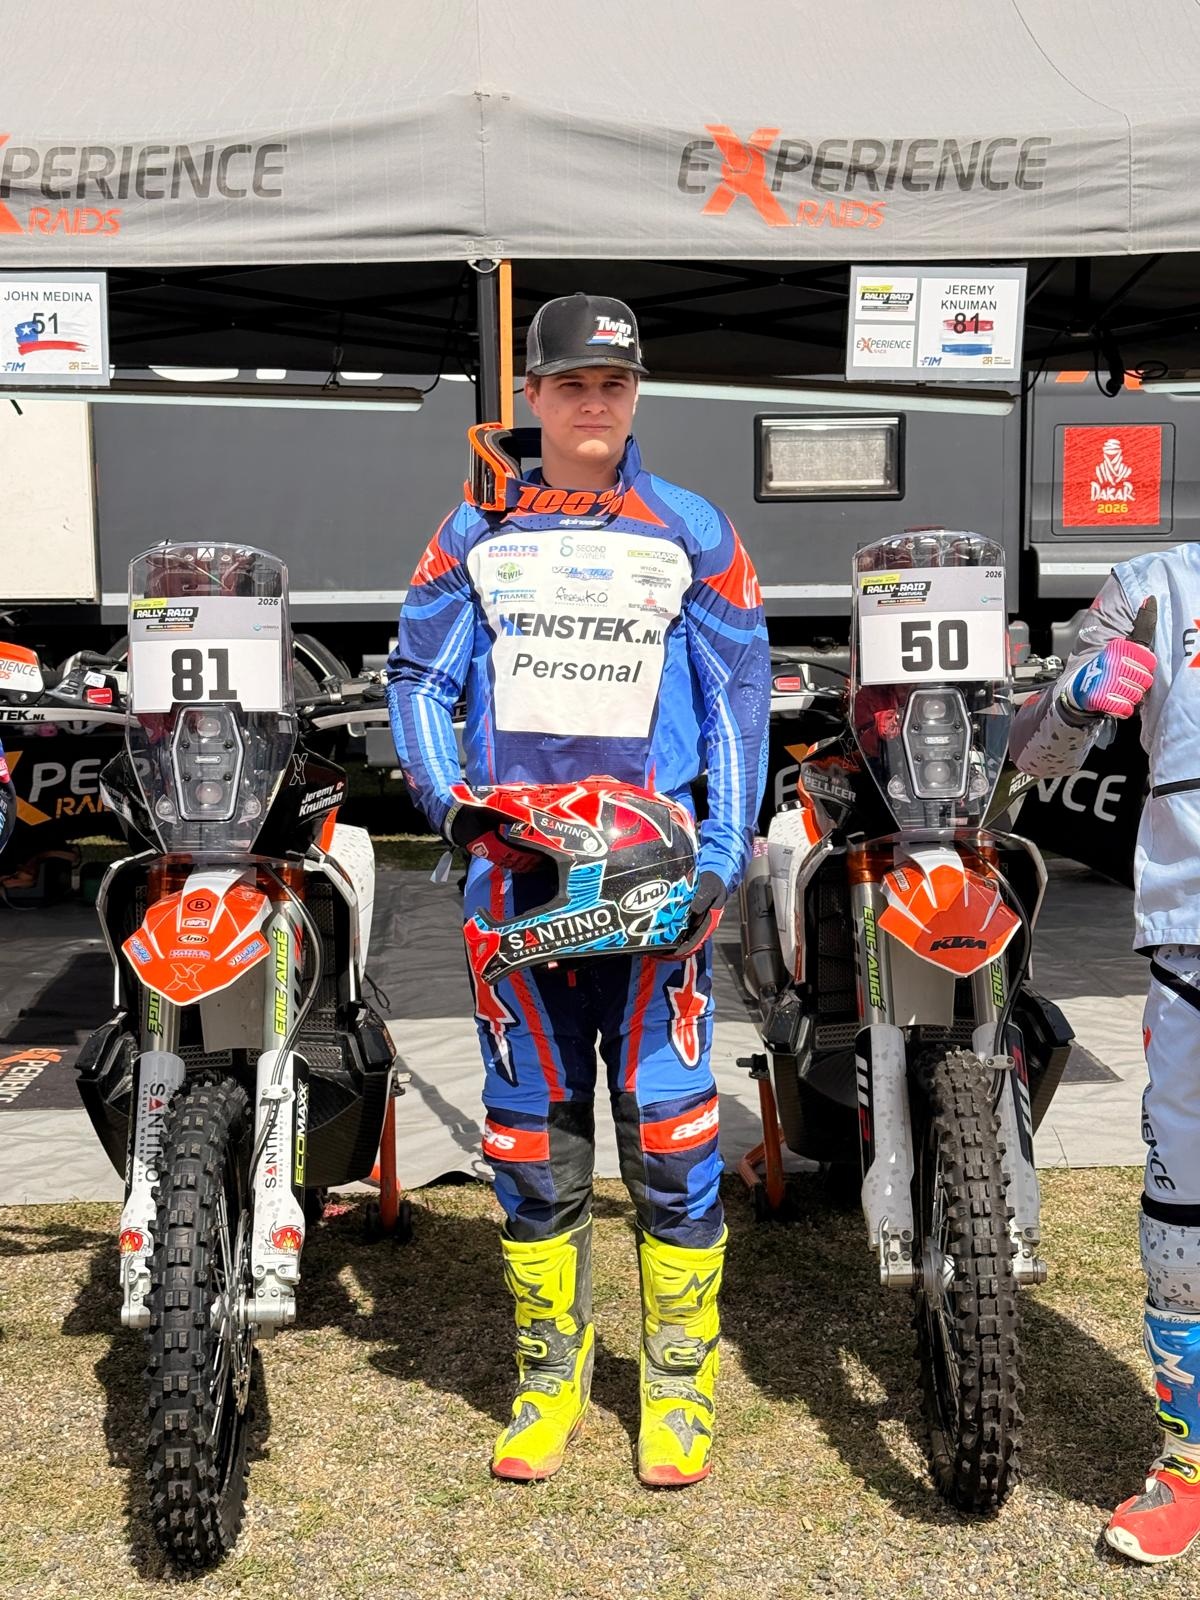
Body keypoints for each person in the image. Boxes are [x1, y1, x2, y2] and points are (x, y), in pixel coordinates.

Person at [387, 293, 770, 1486]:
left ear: (635, 392)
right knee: (530, 1139)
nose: (593, 403)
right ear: (533, 396)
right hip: (517, 883)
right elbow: (417, 677)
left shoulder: (694, 529)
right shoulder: (473, 526)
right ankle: (547, 1380)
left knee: (672, 1132)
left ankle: (679, 1387)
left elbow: (738, 702)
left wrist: (721, 855)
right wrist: (452, 806)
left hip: (657, 884)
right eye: (571, 385)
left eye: (613, 383)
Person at [1007, 548, 1200, 1564]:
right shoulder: (1157, 585)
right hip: (1191, 943)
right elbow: (1033, 757)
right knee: (1185, 1219)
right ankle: (1190, 1462)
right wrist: (1078, 696)